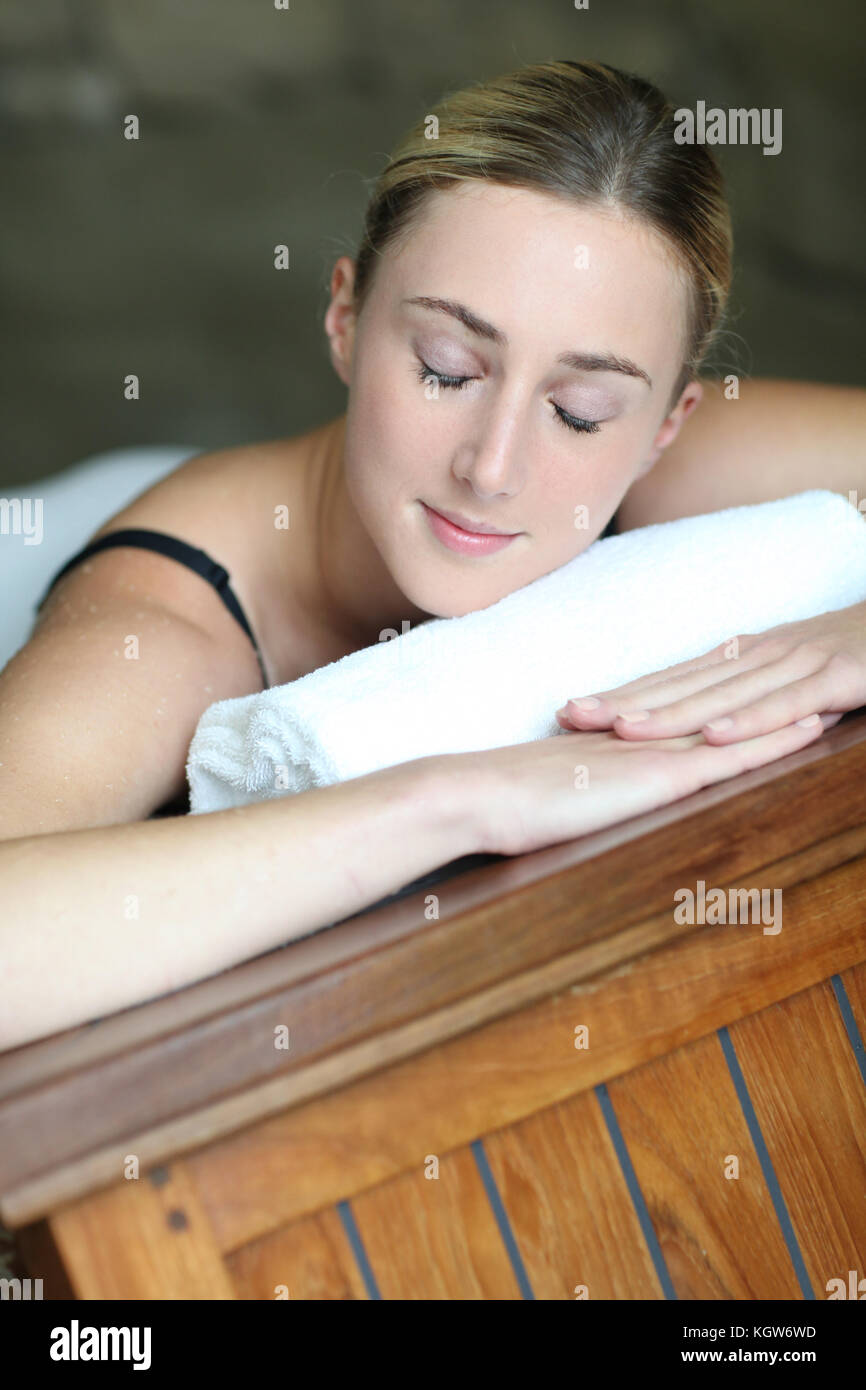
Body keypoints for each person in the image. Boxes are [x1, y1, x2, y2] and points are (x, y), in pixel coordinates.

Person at [2, 59, 864, 1051]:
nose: (491, 468)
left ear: (665, 425)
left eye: (577, 413)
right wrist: (452, 795)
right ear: (344, 316)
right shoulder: (169, 621)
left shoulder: (663, 467)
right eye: (444, 368)